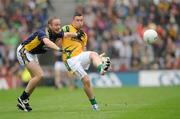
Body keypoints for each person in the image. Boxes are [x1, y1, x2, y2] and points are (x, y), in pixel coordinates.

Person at [16, 17, 84, 112]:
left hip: (32, 53)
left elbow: (66, 34)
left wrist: (76, 34)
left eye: (59, 24)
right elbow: (47, 42)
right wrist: (59, 49)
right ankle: (22, 99)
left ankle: (24, 101)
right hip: (24, 51)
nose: (58, 27)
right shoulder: (42, 32)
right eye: (56, 25)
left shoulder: (56, 33)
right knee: (39, 75)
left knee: (35, 79)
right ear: (50, 26)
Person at [61, 13, 111, 111]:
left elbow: (83, 50)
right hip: (70, 60)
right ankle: (94, 104)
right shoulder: (66, 28)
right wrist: (74, 34)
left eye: (81, 20)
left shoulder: (84, 35)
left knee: (93, 54)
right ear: (73, 21)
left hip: (79, 56)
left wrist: (96, 58)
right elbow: (58, 38)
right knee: (87, 80)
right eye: (77, 20)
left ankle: (101, 69)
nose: (80, 22)